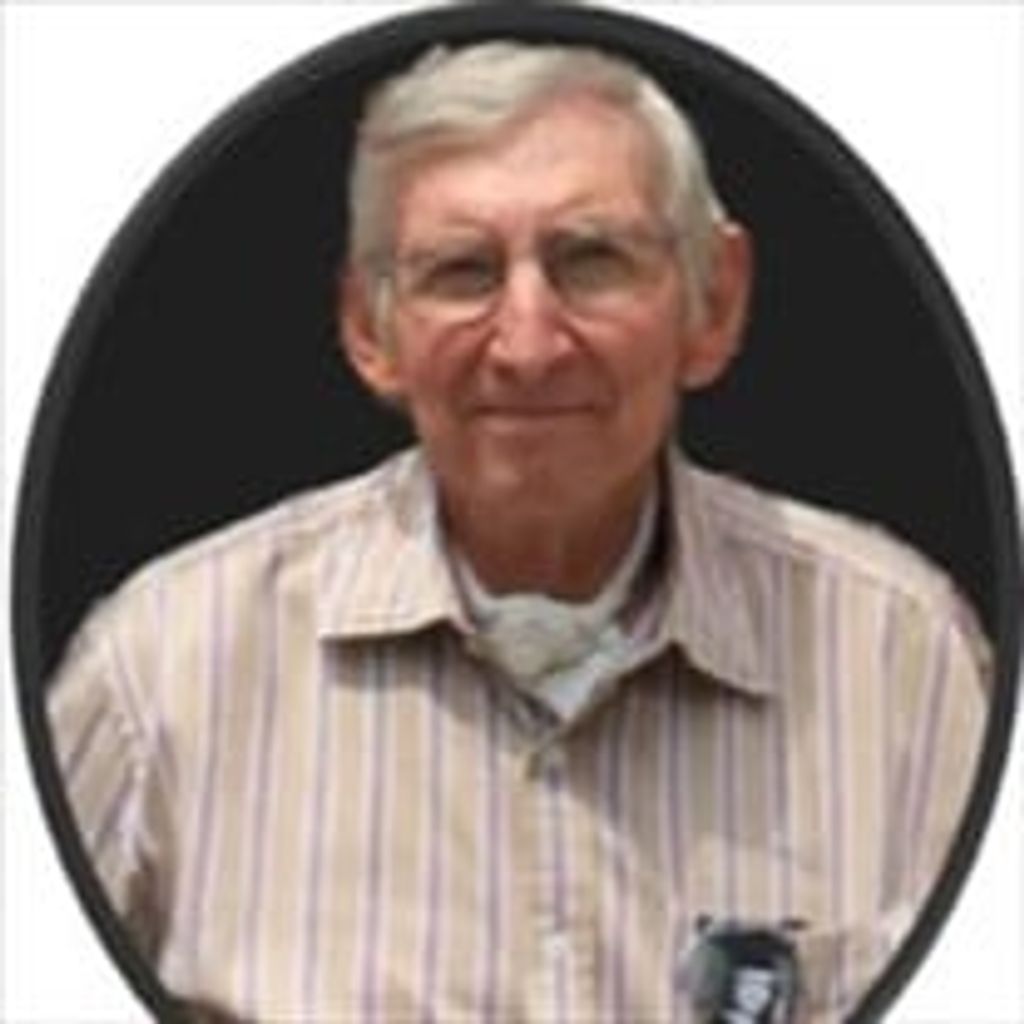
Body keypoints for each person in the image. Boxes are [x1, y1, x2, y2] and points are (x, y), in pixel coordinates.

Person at [46, 40, 990, 1023]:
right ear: (370, 329)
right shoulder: (161, 676)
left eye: (593, 261)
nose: (529, 346)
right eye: (462, 273)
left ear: (712, 302)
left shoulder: (899, 661)